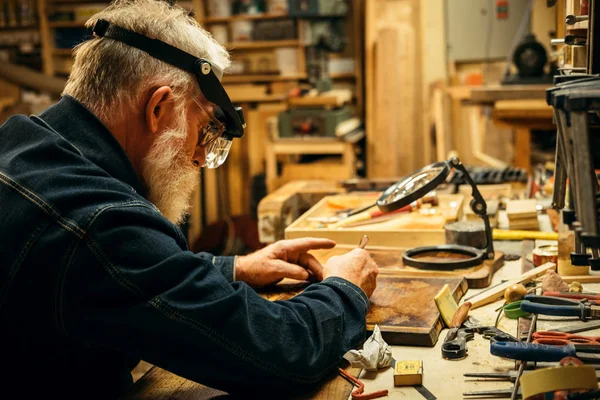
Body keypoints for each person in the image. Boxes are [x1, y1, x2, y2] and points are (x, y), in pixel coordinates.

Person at [0, 0, 379, 398]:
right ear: (158, 107)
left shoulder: (20, 142)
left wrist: (235, 268)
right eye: (203, 129)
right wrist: (343, 287)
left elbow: (120, 274)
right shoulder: (98, 222)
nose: (199, 157)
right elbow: (283, 351)